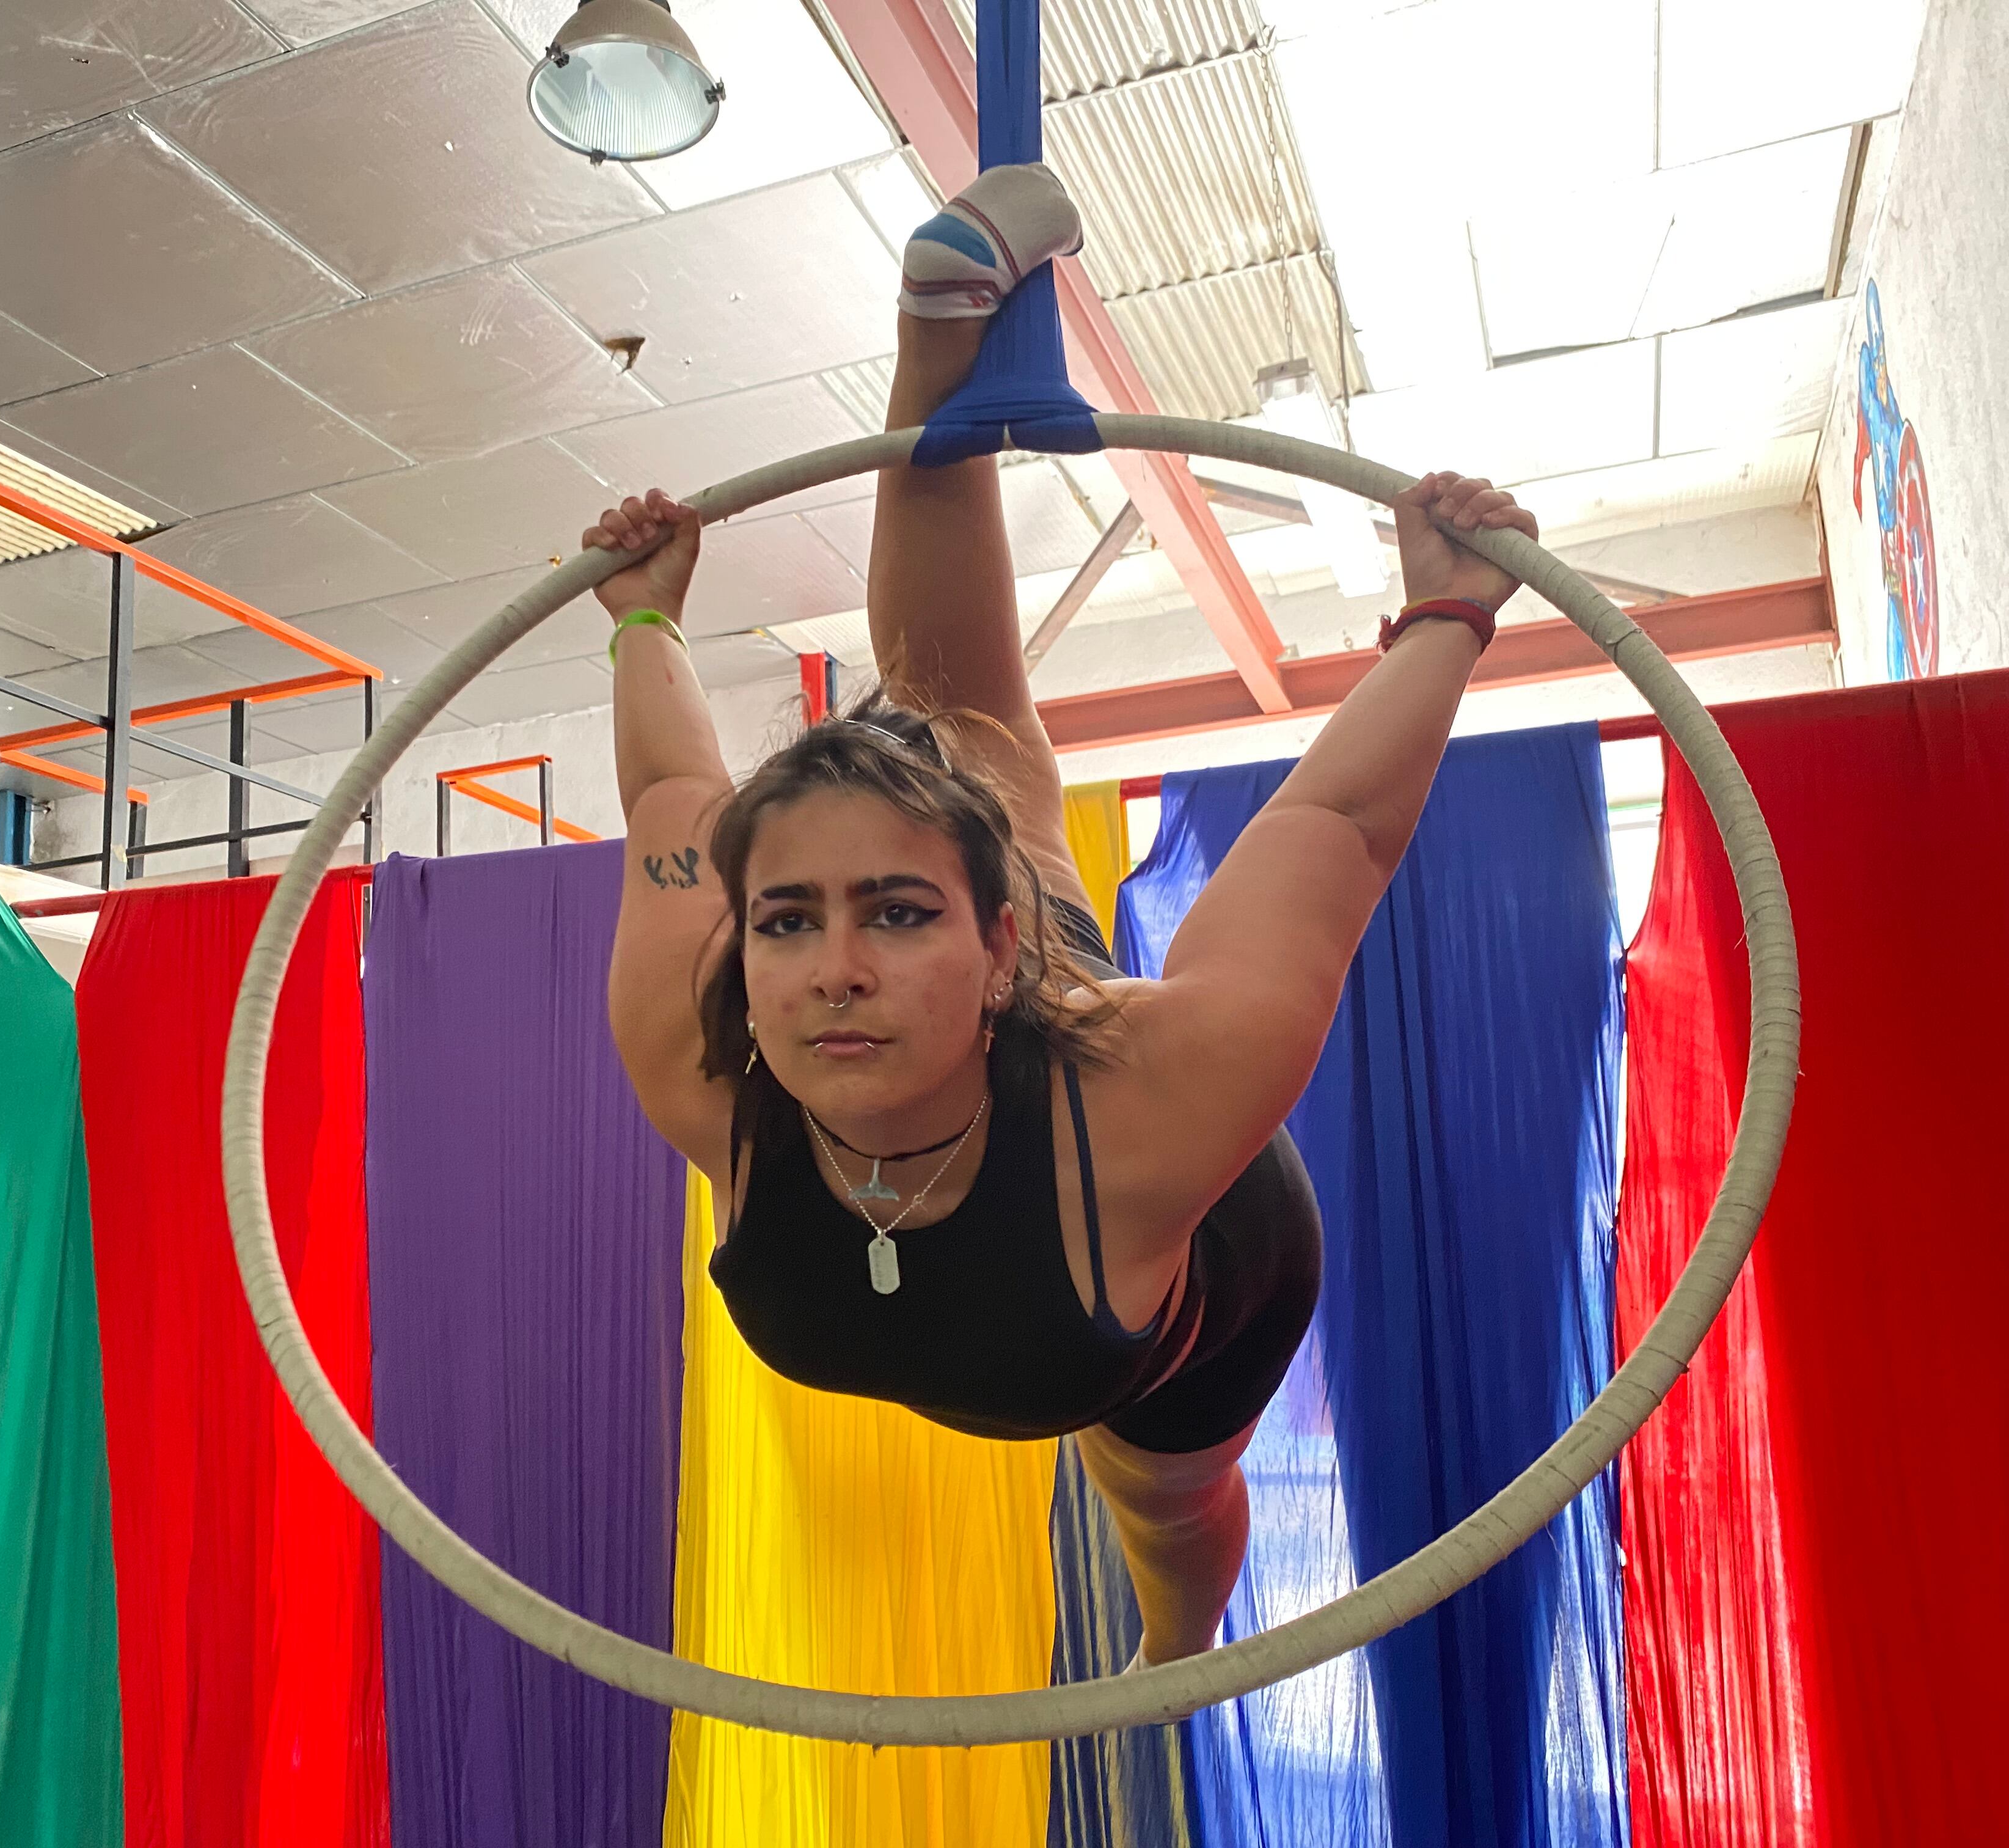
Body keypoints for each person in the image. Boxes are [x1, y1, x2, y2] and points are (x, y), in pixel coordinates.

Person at [590, 164, 1539, 1667]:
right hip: (1006, 999)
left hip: (1174, 1283)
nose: (832, 972)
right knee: (957, 733)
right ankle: (937, 344)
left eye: (896, 918)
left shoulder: (1164, 1099)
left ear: (999, 949)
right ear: (744, 936)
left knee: (1158, 1498)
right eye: (786, 924)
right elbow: (666, 791)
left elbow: (1332, 833)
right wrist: (646, 610)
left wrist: (1445, 619)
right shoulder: (699, 1047)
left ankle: (1175, 1661)